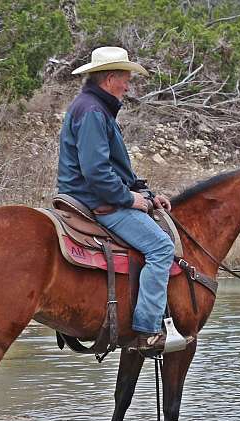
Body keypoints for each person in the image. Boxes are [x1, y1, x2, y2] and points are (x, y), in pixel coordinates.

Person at [57, 46, 174, 352]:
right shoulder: (94, 112)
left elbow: (114, 166)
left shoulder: (93, 107)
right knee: (162, 247)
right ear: (110, 79)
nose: (128, 86)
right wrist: (128, 199)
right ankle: (148, 330)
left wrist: (147, 194)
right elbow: (97, 172)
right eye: (126, 79)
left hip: (91, 194)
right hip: (96, 200)